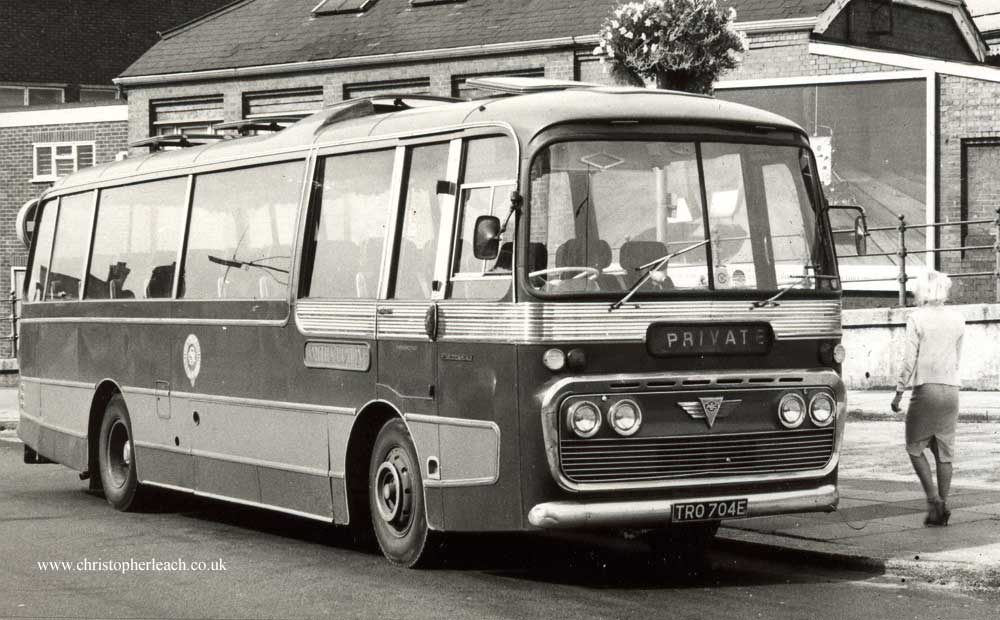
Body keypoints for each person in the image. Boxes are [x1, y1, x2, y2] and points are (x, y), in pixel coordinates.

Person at [890, 270, 965, 527]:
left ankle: (933, 500)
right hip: (951, 390)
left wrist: (899, 391)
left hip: (926, 389)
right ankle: (943, 505)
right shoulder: (958, 319)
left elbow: (908, 360)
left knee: (914, 447)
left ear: (922, 291)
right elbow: (957, 357)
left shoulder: (916, 318)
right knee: (945, 452)